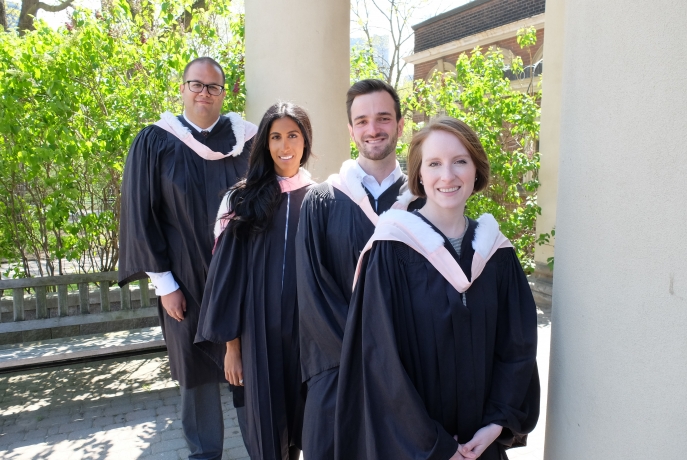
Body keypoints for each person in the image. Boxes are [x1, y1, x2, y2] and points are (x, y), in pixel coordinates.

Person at [333, 116, 540, 460]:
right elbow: (380, 360)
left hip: (481, 445)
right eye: (434, 164)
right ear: (419, 175)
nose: (448, 175)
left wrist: (496, 423)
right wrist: (435, 445)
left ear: (476, 170)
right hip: (413, 448)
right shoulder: (391, 249)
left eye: (460, 161)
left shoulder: (496, 255)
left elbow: (516, 347)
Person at [118, 57, 257, 460]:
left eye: (213, 87)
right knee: (195, 372)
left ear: (224, 93)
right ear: (182, 88)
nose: (204, 93)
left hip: (239, 280)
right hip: (184, 282)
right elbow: (141, 215)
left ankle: (260, 446)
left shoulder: (246, 141)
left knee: (247, 368)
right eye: (196, 85)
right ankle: (204, 453)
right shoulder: (156, 141)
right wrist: (164, 285)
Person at [296, 79, 423, 459]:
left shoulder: (424, 202)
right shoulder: (321, 201)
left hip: (411, 376)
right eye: (363, 120)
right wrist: (368, 360)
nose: (373, 129)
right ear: (351, 130)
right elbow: (313, 294)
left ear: (401, 125)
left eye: (384, 118)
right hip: (339, 373)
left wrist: (395, 366)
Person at [195, 102, 314, 460]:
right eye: (275, 137)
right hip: (256, 338)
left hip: (305, 340)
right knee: (264, 441)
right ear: (264, 144)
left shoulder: (322, 198)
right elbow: (226, 281)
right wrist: (232, 348)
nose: (284, 146)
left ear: (306, 140)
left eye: (293, 135)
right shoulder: (241, 200)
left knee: (300, 433)